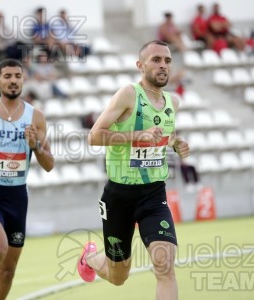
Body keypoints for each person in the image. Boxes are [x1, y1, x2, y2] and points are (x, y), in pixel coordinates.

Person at [79, 40, 190, 300]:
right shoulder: (128, 94)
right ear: (140, 66)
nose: (163, 65)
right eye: (156, 60)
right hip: (119, 196)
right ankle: (91, 258)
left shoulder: (173, 102)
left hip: (153, 195)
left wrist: (176, 142)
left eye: (167, 60)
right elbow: (94, 137)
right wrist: (138, 135)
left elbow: (165, 134)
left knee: (165, 265)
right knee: (119, 277)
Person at [0, 59, 54, 300]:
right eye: (7, 76)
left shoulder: (36, 117)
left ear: (23, 80)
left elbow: (49, 164)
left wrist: (36, 145)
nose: (13, 80)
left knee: (9, 270)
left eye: (17, 76)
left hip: (18, 196)